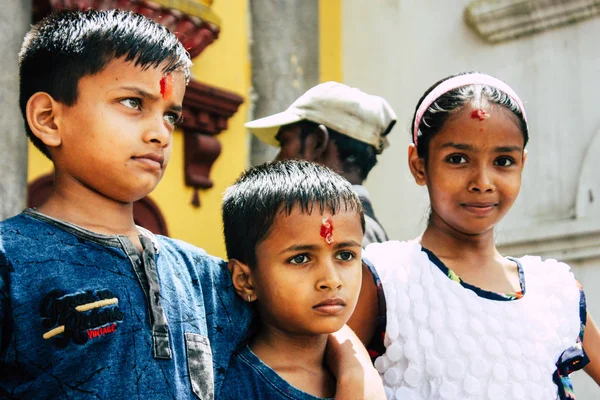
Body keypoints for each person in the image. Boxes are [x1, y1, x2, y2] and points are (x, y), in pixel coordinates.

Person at [0, 9, 383, 399]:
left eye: (170, 116)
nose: (159, 134)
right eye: (133, 102)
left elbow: (317, 310)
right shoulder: (10, 260)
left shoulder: (207, 280)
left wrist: (358, 376)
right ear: (48, 118)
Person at [347, 72, 600, 399]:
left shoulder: (555, 291)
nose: (483, 181)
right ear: (419, 164)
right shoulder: (384, 278)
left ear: (522, 164)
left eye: (503, 161)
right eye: (458, 159)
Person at [219, 160, 381, 399]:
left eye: (345, 255)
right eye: (300, 259)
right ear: (245, 280)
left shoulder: (367, 370)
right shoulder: (235, 388)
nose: (331, 280)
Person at [245, 82, 397, 246]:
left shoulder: (332, 230)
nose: (276, 160)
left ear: (318, 142)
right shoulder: (363, 229)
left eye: (284, 142)